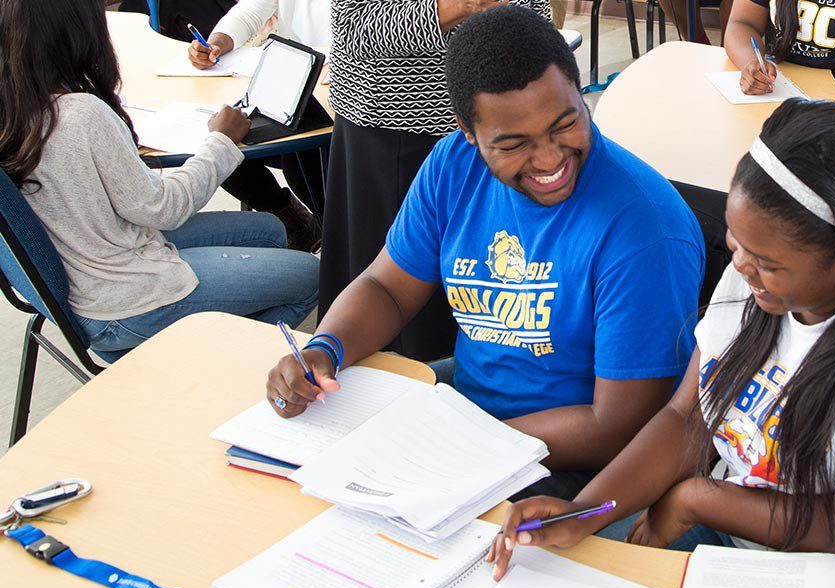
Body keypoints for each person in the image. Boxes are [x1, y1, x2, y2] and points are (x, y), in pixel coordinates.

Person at [485, 99, 835, 573]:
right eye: (736, 243)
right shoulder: (756, 282)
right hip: (741, 537)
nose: (741, 267)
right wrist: (586, 511)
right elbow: (687, 418)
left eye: (766, 263)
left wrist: (700, 499)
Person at [265, 6, 705, 501]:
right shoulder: (454, 163)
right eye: (514, 144)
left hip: (571, 461)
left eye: (566, 124)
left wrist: (467, 442)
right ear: (469, 132)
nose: (549, 159)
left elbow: (618, 426)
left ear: (582, 96)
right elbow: (387, 287)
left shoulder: (642, 229)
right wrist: (325, 349)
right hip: (473, 416)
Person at [0, 0, 320, 360]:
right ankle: (216, 365)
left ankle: (219, 327)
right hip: (121, 299)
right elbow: (165, 210)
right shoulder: (81, 114)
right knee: (312, 276)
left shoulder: (15, 104)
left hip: (87, 269)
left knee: (270, 230)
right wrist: (222, 141)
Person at [321, 0, 553, 362]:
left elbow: (534, 19)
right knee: (397, 325)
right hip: (393, 132)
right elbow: (354, 25)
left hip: (497, 124)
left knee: (492, 296)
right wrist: (458, 7)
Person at [186, 0, 329, 252]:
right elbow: (249, 12)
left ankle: (335, 235)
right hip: (287, 86)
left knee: (301, 155)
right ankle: (296, 224)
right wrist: (217, 43)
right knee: (222, 139)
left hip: (336, 93)